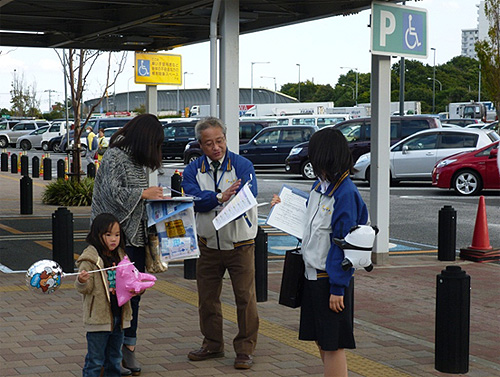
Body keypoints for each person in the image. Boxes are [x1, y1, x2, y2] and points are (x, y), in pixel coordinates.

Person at [271, 128, 368, 377]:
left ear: (325, 157)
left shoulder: (345, 193)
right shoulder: (320, 186)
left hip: (329, 281)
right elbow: (309, 225)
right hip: (312, 277)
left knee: (333, 344)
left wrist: (338, 288)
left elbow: (343, 244)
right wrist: (283, 209)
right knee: (321, 340)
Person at [182, 117, 259, 370]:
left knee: (245, 298)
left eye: (220, 140)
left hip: (240, 244)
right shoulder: (193, 169)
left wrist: (215, 200)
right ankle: (212, 344)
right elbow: (193, 199)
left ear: (225, 139)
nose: (216, 147)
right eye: (209, 143)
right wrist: (219, 197)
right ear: (200, 145)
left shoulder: (243, 165)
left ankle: (245, 349)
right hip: (207, 244)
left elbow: (246, 197)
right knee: (207, 298)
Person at [91, 113, 165, 376]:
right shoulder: (115, 156)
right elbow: (112, 194)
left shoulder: (137, 160)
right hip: (114, 240)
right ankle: (107, 355)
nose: (157, 149)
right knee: (112, 298)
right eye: (156, 143)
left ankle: (128, 350)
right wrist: (144, 193)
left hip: (135, 238)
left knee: (133, 295)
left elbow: (135, 200)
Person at [75, 213, 133, 377]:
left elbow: (130, 282)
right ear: (97, 235)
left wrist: (137, 288)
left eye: (117, 234)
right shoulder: (90, 259)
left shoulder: (122, 256)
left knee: (115, 359)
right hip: (98, 319)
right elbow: (84, 289)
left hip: (120, 316)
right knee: (95, 360)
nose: (113, 239)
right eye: (108, 235)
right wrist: (82, 280)